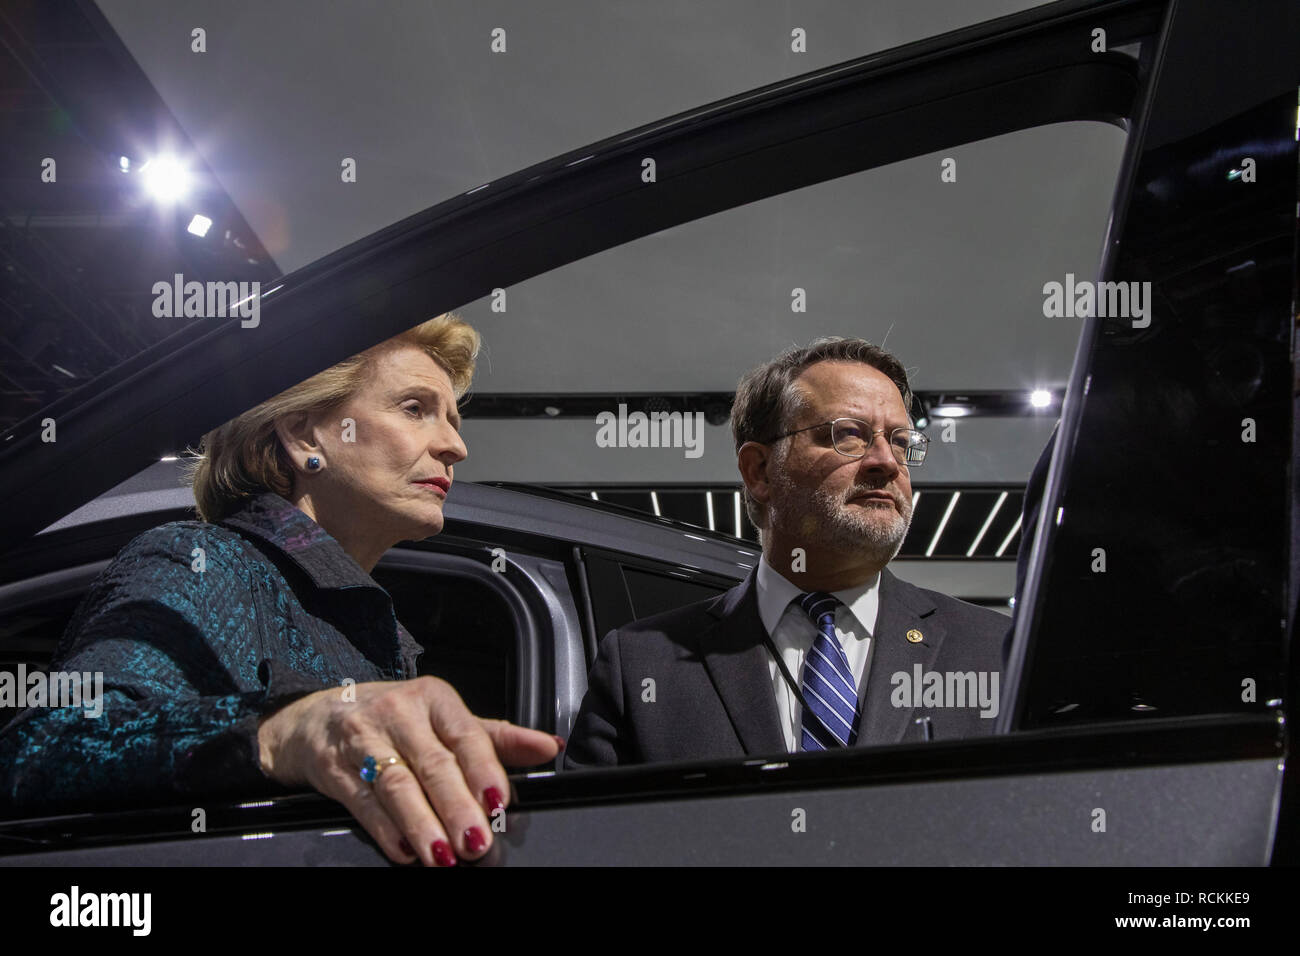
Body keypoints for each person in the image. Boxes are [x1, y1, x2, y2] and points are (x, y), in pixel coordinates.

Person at [0, 314, 561, 866]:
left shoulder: (384, 637)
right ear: (303, 435)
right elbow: (47, 747)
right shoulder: (204, 563)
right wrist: (286, 730)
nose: (454, 446)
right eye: (415, 409)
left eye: (453, 421)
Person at [565, 337, 1007, 767]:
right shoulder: (643, 664)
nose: (887, 461)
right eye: (849, 435)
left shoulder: (993, 652)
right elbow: (595, 839)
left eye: (900, 441)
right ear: (760, 471)